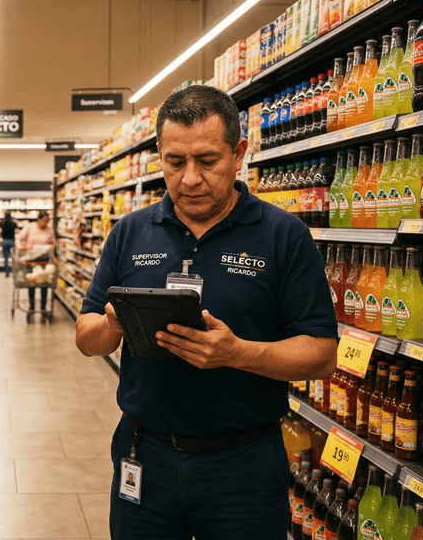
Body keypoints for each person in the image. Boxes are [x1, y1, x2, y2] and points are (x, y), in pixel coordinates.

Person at [74, 86, 338, 540]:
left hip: (244, 465)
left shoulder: (284, 237)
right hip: (144, 455)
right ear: (159, 155)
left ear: (238, 154)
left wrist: (237, 353)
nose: (190, 179)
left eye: (207, 161)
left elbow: (321, 354)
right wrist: (114, 323)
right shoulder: (129, 233)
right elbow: (86, 336)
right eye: (175, 163)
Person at [16, 211, 56, 315]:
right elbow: (19, 238)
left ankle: (43, 307)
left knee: (44, 283)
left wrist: (52, 249)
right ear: (39, 219)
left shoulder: (49, 230)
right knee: (32, 281)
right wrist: (20, 247)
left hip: (43, 260)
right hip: (31, 260)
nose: (46, 223)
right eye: (44, 221)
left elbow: (54, 243)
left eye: (48, 221)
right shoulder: (30, 227)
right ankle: (32, 306)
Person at [0, 211, 18, 277]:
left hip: (5, 241)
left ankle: (7, 272)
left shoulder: (1, 222)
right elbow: (17, 231)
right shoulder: (13, 223)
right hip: (12, 241)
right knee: (14, 258)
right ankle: (15, 271)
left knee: (6, 258)